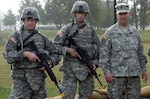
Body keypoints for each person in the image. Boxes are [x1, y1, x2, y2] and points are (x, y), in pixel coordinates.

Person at [3, 7, 60, 99]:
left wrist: (50, 62)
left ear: (36, 21)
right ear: (23, 20)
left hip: (38, 81)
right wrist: (24, 54)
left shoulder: (42, 38)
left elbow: (56, 54)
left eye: (32, 20)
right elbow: (8, 56)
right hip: (21, 81)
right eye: (28, 20)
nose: (30, 22)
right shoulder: (16, 36)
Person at [99, 2, 148, 99]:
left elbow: (140, 53)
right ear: (117, 15)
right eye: (120, 14)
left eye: (125, 13)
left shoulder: (135, 32)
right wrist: (107, 72)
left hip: (133, 74)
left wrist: (144, 70)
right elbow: (103, 55)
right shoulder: (110, 32)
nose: (123, 16)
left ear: (129, 14)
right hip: (116, 76)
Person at [53, 1, 100, 99]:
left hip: (87, 71)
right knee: (67, 96)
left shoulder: (91, 31)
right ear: (75, 13)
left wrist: (95, 64)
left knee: (86, 96)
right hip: (70, 71)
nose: (80, 15)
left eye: (82, 13)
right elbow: (55, 46)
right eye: (78, 13)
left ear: (85, 14)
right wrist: (68, 50)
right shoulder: (66, 29)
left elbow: (99, 51)